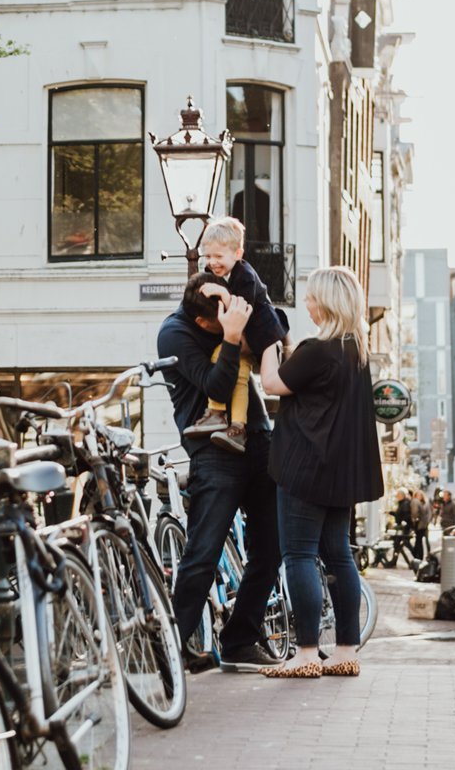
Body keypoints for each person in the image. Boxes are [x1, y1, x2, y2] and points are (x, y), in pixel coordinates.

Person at [257, 266, 382, 679]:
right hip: (340, 472)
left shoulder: (318, 349)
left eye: (311, 297)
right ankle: (346, 650)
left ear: (326, 302)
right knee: (339, 556)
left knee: (298, 555)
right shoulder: (355, 351)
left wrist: (268, 339)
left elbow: (272, 383)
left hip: (305, 468)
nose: (307, 304)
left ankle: (307, 653)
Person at [158, 271, 283, 673]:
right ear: (202, 321)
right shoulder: (174, 334)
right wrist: (231, 338)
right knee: (203, 554)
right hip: (213, 452)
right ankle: (172, 650)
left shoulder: (229, 308)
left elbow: (274, 327)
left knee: (272, 547)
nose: (232, 320)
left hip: (257, 440)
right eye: (222, 320)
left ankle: (239, 639)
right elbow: (217, 384)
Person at [181, 217, 291, 454]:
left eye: (218, 256)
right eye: (208, 256)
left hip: (259, 336)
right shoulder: (217, 271)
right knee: (240, 376)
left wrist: (223, 294)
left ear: (238, 254)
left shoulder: (245, 276)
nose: (212, 262)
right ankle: (237, 427)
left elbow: (244, 311)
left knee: (219, 356)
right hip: (246, 335)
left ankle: (217, 413)